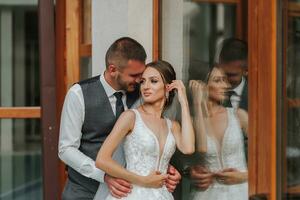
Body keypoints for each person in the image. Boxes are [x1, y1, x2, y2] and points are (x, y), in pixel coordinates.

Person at [58, 37, 181, 200]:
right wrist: (103, 175)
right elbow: (66, 149)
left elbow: (142, 140)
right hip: (84, 191)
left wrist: (164, 167)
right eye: (135, 75)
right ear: (113, 69)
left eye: (142, 75)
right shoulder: (79, 94)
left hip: (130, 192)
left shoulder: (141, 94)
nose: (140, 81)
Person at [95, 60, 195, 200]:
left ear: (168, 87)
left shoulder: (172, 125)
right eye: (142, 81)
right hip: (133, 194)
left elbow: (189, 148)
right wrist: (143, 180)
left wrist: (183, 101)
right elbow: (101, 160)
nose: (145, 87)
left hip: (162, 195)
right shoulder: (131, 117)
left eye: (153, 81)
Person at [189, 38, 248, 192]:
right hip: (208, 192)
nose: (226, 85)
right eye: (218, 80)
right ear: (203, 85)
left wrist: (243, 176)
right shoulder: (193, 120)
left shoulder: (239, 115)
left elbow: (267, 158)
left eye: (225, 80)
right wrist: (198, 102)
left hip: (240, 190)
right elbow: (199, 151)